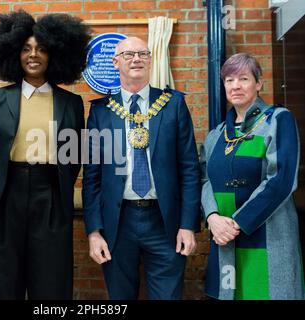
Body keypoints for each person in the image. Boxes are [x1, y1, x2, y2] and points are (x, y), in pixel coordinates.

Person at [0, 10, 90, 300]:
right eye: (26, 49)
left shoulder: (71, 103)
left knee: (51, 280)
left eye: (41, 49)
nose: (33, 55)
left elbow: (74, 156)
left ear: (53, 55)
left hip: (51, 194)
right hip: (5, 196)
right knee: (3, 278)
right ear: (14, 54)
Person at [82, 36, 201, 300]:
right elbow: (92, 176)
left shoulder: (173, 105)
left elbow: (190, 169)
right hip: (118, 222)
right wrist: (93, 231)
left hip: (165, 221)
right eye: (128, 55)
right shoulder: (101, 112)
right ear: (115, 62)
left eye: (142, 53)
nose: (136, 59)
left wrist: (188, 225)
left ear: (150, 59)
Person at [201, 53, 304, 300]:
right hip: (224, 239)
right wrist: (213, 218)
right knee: (231, 293)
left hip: (267, 234)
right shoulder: (216, 135)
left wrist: (236, 223)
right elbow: (204, 180)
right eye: (229, 80)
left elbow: (281, 180)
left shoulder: (279, 120)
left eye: (244, 79)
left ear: (258, 84)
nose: (235, 86)